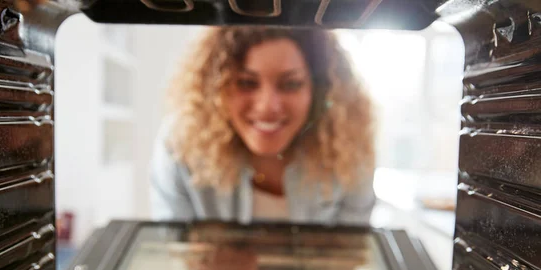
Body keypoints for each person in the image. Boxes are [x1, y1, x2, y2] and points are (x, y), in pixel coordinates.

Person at [150, 26, 375, 226]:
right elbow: (173, 248)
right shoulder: (181, 146)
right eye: (247, 83)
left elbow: (349, 261)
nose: (268, 106)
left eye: (291, 84)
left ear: (318, 91)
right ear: (216, 89)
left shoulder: (349, 152)